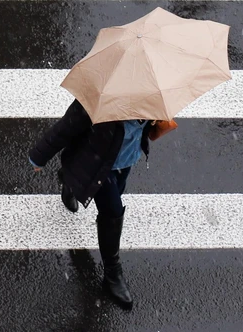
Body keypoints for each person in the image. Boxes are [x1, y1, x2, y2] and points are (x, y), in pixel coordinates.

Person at [28, 98, 153, 310]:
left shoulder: (151, 95)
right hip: (99, 164)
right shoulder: (101, 96)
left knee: (114, 194)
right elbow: (67, 126)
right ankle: (112, 273)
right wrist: (39, 156)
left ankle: (70, 179)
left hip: (126, 159)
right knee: (112, 212)